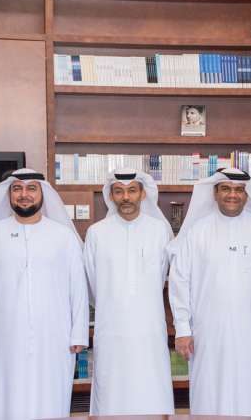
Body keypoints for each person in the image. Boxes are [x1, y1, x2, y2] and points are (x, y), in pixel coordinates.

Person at [0, 168, 89, 420]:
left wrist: (79, 332)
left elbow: (78, 287)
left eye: (31, 189)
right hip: (1, 337)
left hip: (54, 337)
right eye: (17, 189)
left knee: (50, 396)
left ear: (42, 194)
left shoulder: (63, 236)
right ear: (9, 194)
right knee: (4, 397)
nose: (24, 194)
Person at [168, 167, 251, 417]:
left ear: (247, 194)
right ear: (215, 193)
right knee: (209, 392)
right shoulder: (197, 231)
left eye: (238, 190)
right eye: (226, 188)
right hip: (207, 333)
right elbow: (180, 282)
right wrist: (183, 330)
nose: (232, 195)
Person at [82, 169, 175, 415]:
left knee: (151, 389)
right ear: (111, 196)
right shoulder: (96, 233)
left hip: (149, 328)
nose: (125, 197)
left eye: (132, 191)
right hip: (111, 327)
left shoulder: (160, 230)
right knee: (111, 392)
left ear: (142, 194)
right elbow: (92, 282)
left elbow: (163, 276)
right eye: (119, 191)